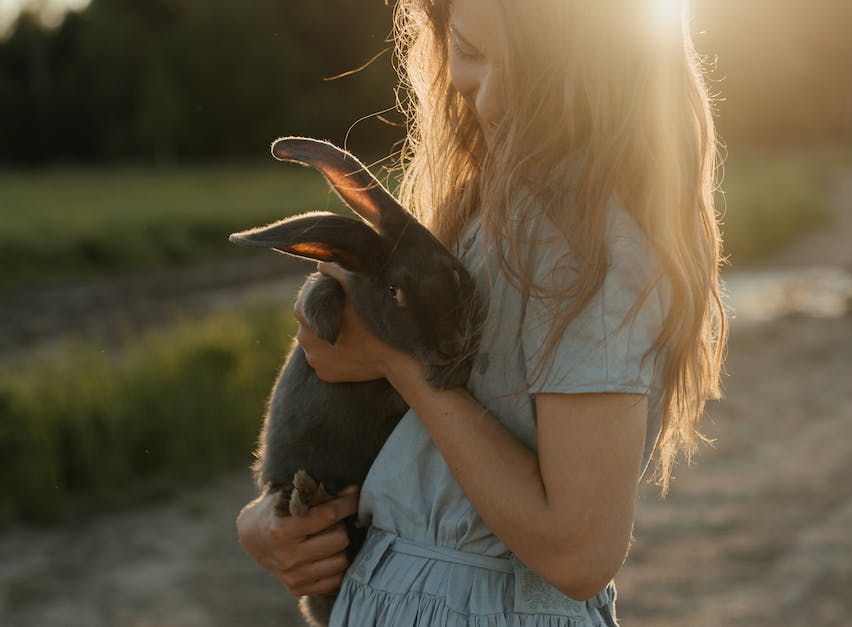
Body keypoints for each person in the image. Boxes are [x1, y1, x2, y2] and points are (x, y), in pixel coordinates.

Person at [236, 0, 726, 624]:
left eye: (527, 71)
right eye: (469, 52)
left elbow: (580, 552)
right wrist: (272, 521)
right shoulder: (481, 210)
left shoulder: (589, 246)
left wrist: (399, 362)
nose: (490, 101)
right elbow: (417, 464)